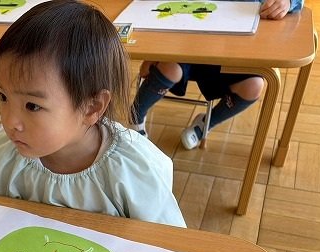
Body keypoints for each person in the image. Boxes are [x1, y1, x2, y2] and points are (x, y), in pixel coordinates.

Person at [0, 0, 186, 228]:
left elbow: (168, 242)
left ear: (92, 107)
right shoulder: (3, 157)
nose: (10, 122)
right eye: (3, 96)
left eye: (32, 106)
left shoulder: (132, 171)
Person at [131, 0, 305, 150]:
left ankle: (206, 123)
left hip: (236, 48)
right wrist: (153, 52)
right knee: (169, 68)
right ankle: (135, 116)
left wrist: (288, 2)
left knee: (253, 86)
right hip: (187, 41)